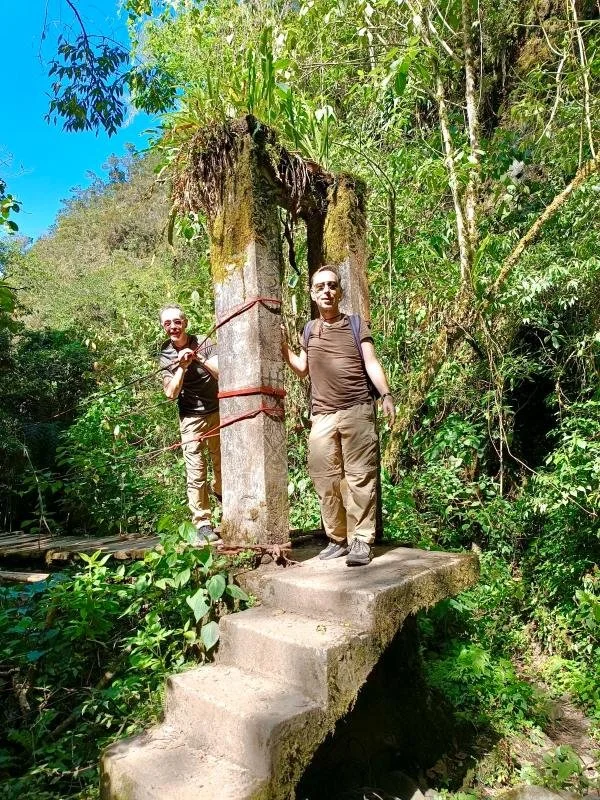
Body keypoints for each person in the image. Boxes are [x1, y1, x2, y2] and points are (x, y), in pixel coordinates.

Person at [281, 266, 396, 566]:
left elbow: (371, 361)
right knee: (324, 476)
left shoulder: (356, 324)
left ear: (340, 292)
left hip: (357, 409)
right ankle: (337, 538)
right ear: (312, 294)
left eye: (332, 286)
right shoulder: (308, 329)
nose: (326, 291)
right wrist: (283, 348)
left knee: (360, 477)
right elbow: (302, 368)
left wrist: (385, 394)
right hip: (322, 415)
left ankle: (361, 540)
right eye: (320, 287)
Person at [159, 304, 221, 544]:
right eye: (167, 323)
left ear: (185, 323)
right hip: (190, 418)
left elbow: (221, 372)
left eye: (177, 322)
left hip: (218, 412)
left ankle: (223, 499)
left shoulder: (205, 342)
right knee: (196, 472)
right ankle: (203, 523)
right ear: (164, 327)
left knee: (221, 466)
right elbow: (171, 393)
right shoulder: (165, 354)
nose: (173, 327)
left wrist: (199, 358)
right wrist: (182, 368)